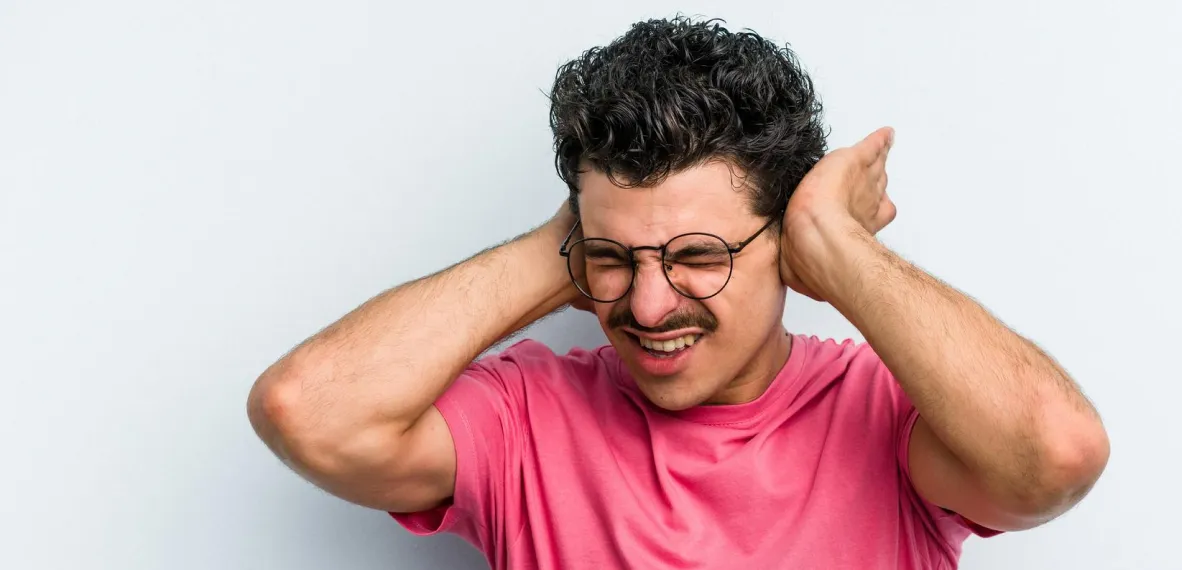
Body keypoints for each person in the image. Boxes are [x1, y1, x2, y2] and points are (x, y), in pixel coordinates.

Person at [247, 16, 1110, 569]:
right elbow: (307, 413)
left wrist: (836, 244)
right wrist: (562, 248)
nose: (649, 307)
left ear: (784, 245)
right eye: (614, 260)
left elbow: (1056, 458)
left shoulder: (886, 414)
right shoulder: (524, 422)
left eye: (699, 256)